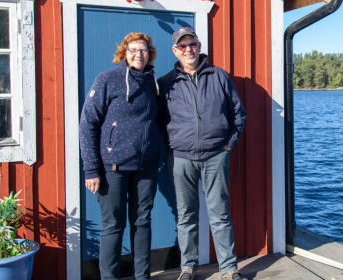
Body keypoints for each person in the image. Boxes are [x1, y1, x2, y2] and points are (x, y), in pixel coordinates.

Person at [158, 27, 247, 280]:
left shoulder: (219, 76)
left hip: (215, 156)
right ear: (175, 51)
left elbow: (238, 114)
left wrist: (228, 144)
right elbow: (158, 121)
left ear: (199, 46)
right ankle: (188, 267)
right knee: (186, 216)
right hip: (181, 159)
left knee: (219, 214)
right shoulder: (167, 83)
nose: (189, 50)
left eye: (193, 44)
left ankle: (229, 269)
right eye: (182, 46)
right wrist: (172, 146)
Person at [79, 32, 162, 280]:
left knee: (142, 222)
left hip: (146, 167)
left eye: (144, 50)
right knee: (113, 226)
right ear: (124, 53)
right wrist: (91, 170)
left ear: (150, 54)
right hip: (112, 168)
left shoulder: (152, 81)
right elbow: (87, 124)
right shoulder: (108, 79)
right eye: (134, 50)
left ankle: (142, 276)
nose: (139, 54)